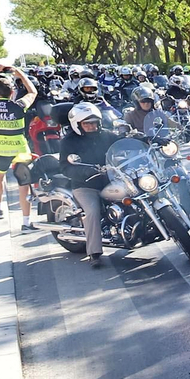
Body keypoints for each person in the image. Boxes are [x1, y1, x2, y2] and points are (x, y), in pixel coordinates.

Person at [59, 102, 123, 263]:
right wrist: (85, 172)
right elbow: (65, 167)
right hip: (85, 185)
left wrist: (143, 139)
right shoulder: (69, 141)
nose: (91, 126)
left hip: (110, 180)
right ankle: (94, 253)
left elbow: (122, 142)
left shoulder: (107, 135)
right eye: (87, 123)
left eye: (94, 122)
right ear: (77, 124)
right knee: (93, 211)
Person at [0, 65, 38, 227]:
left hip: (1, 150)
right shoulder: (18, 106)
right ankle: (26, 223)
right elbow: (33, 92)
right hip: (20, 150)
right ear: (12, 92)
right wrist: (19, 72)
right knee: (23, 185)